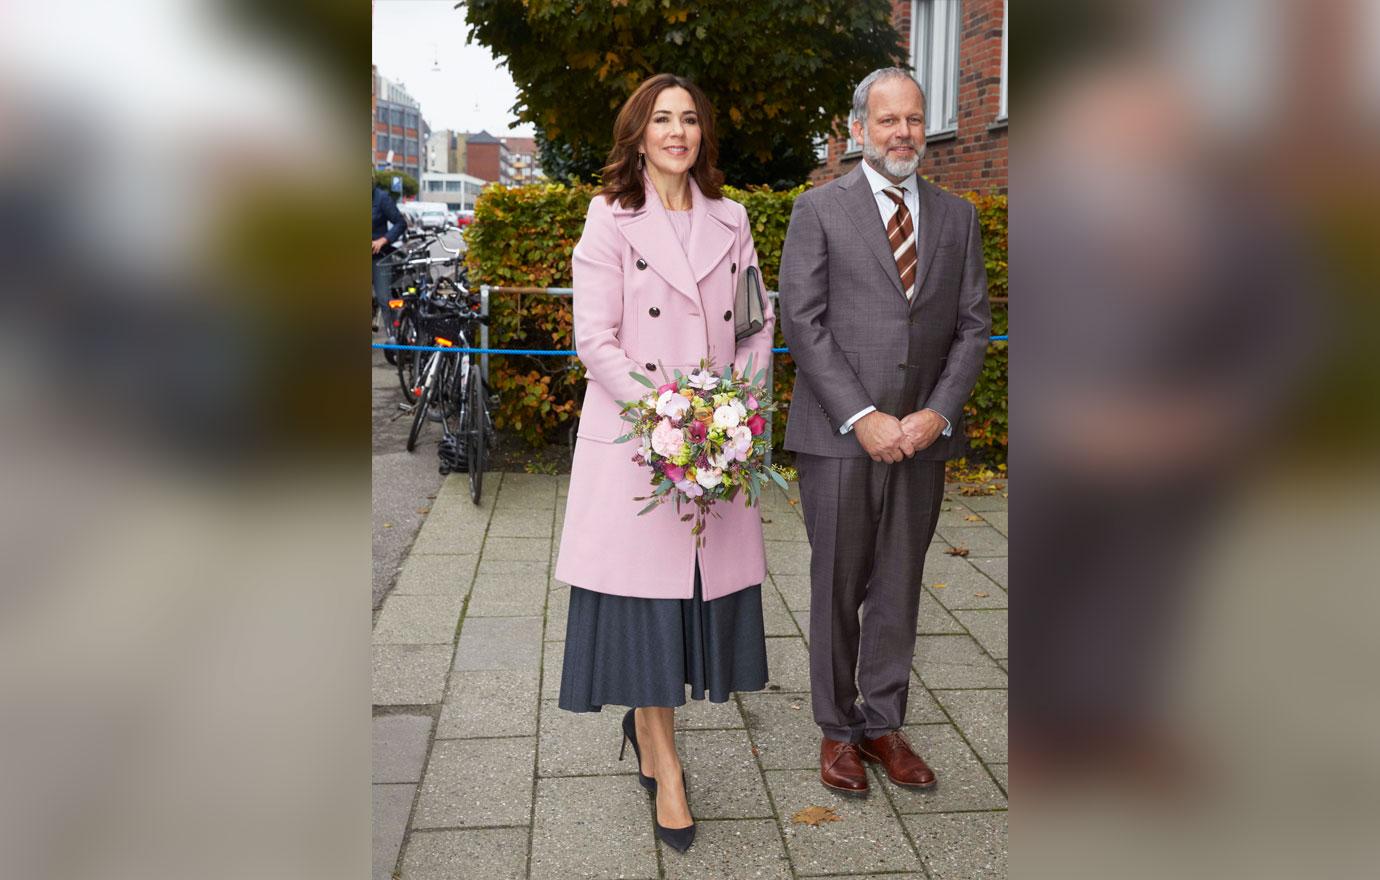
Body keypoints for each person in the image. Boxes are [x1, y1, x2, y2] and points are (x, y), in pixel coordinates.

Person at [554, 73, 775, 853]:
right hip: (639, 443)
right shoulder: (609, 218)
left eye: (688, 120)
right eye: (661, 120)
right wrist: (666, 417)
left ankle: (652, 740)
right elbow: (596, 339)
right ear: (638, 134)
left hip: (716, 446)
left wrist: (733, 415)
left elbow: (754, 327)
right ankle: (664, 762)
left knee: (689, 598)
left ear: (702, 134)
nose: (676, 132)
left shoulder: (733, 219)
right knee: (647, 607)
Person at [778, 68, 991, 797]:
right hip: (840, 436)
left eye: (914, 119)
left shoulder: (957, 216)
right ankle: (837, 731)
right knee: (838, 584)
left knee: (899, 584)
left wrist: (935, 414)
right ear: (857, 129)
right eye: (888, 119)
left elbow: (972, 327)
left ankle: (882, 724)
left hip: (924, 438)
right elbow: (801, 324)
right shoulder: (819, 209)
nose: (904, 132)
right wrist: (865, 417)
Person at [371, 175, 407, 341]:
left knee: (384, 299)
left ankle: (394, 339)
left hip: (379, 257)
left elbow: (400, 223)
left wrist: (383, 240)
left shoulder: (382, 198)